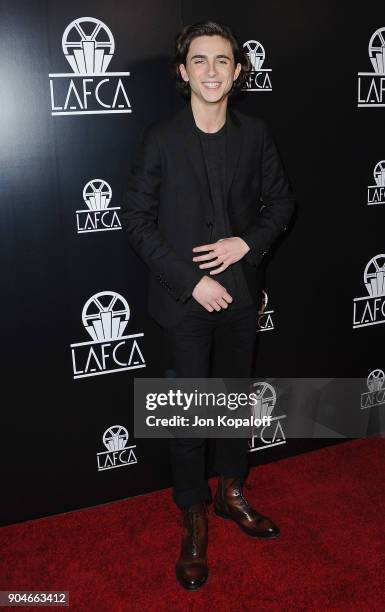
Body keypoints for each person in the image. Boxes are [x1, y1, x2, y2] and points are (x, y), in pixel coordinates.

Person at [122, 20, 295, 591]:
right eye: (200, 60)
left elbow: (281, 202)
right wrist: (191, 280)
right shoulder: (160, 138)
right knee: (192, 413)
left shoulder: (256, 135)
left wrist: (246, 243)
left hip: (243, 295)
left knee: (234, 403)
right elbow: (138, 222)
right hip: (184, 301)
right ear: (183, 71)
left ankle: (231, 492)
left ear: (238, 71)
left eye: (223, 60)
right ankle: (193, 512)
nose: (212, 70)